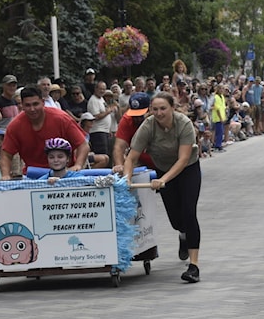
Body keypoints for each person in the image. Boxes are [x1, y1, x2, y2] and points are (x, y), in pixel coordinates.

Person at [123, 91, 201, 283]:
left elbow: (183, 159)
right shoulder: (147, 126)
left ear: (172, 108)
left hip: (188, 169)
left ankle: (194, 266)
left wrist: (163, 179)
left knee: (189, 213)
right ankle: (182, 234)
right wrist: (126, 178)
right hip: (163, 169)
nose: (159, 113)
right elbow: (131, 157)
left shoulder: (183, 124)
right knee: (176, 219)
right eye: (155, 109)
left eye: (163, 109)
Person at [0, 86, 90, 179]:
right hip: (33, 176)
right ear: (22, 105)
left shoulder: (61, 118)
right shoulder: (15, 126)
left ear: (43, 102)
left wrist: (78, 165)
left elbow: (83, 145)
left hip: (63, 174)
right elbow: (6, 154)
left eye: (35, 104)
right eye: (27, 105)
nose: (32, 109)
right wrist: (5, 175)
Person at [112, 92, 153, 172]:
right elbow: (119, 147)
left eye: (141, 116)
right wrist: (119, 165)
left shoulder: (159, 118)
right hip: (140, 160)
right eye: (134, 115)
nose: (137, 119)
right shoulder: (127, 119)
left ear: (150, 109)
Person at [85, 81, 116, 163]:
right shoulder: (93, 100)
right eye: (100, 89)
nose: (102, 91)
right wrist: (108, 111)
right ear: (96, 89)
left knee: (107, 155)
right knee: (102, 156)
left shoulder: (101, 99)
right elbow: (95, 116)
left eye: (104, 89)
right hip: (98, 132)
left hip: (105, 131)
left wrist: (108, 130)